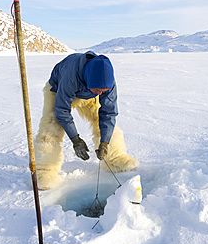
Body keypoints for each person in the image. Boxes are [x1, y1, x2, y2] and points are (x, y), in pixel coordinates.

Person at [34, 51, 139, 190]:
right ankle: (45, 171)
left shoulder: (107, 82)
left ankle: (115, 158)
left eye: (104, 90)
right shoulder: (70, 76)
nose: (101, 93)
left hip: (88, 91)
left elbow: (109, 113)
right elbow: (62, 110)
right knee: (52, 123)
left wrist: (105, 142)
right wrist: (76, 140)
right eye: (99, 90)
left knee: (99, 118)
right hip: (58, 89)